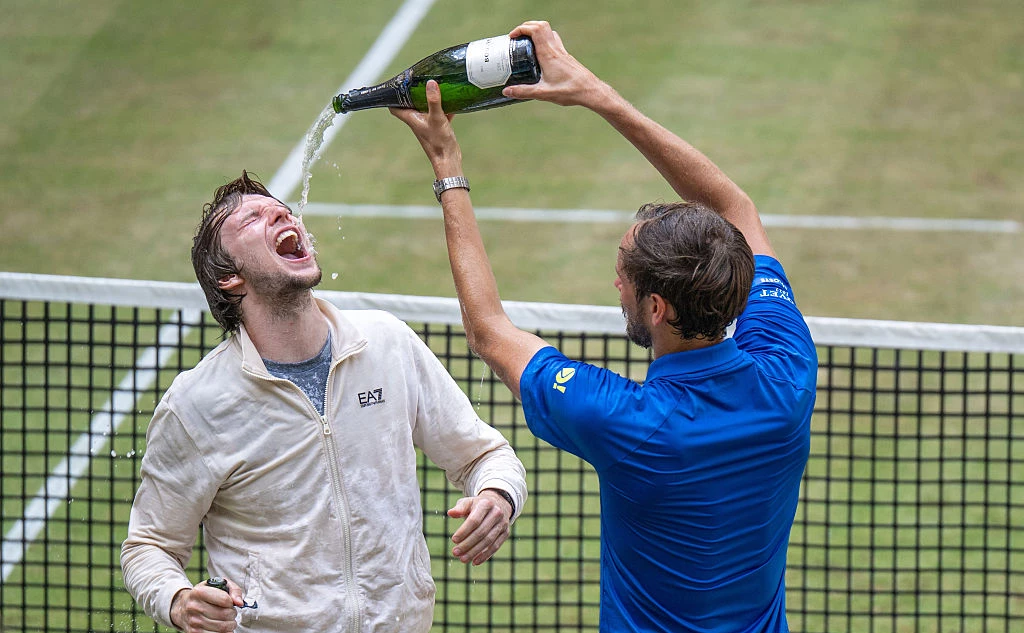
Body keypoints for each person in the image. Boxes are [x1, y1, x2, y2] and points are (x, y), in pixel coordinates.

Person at [391, 20, 816, 633]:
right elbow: (736, 209)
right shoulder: (788, 371)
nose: (615, 284)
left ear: (657, 309)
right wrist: (596, 94)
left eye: (624, 276)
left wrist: (446, 165)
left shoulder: (628, 422)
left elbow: (487, 329)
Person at [120, 171, 527, 633]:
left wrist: (497, 495)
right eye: (252, 218)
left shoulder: (386, 342)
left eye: (280, 208)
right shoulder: (197, 405)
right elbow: (149, 546)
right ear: (230, 278)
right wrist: (176, 600)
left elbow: (485, 454)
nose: (279, 212)